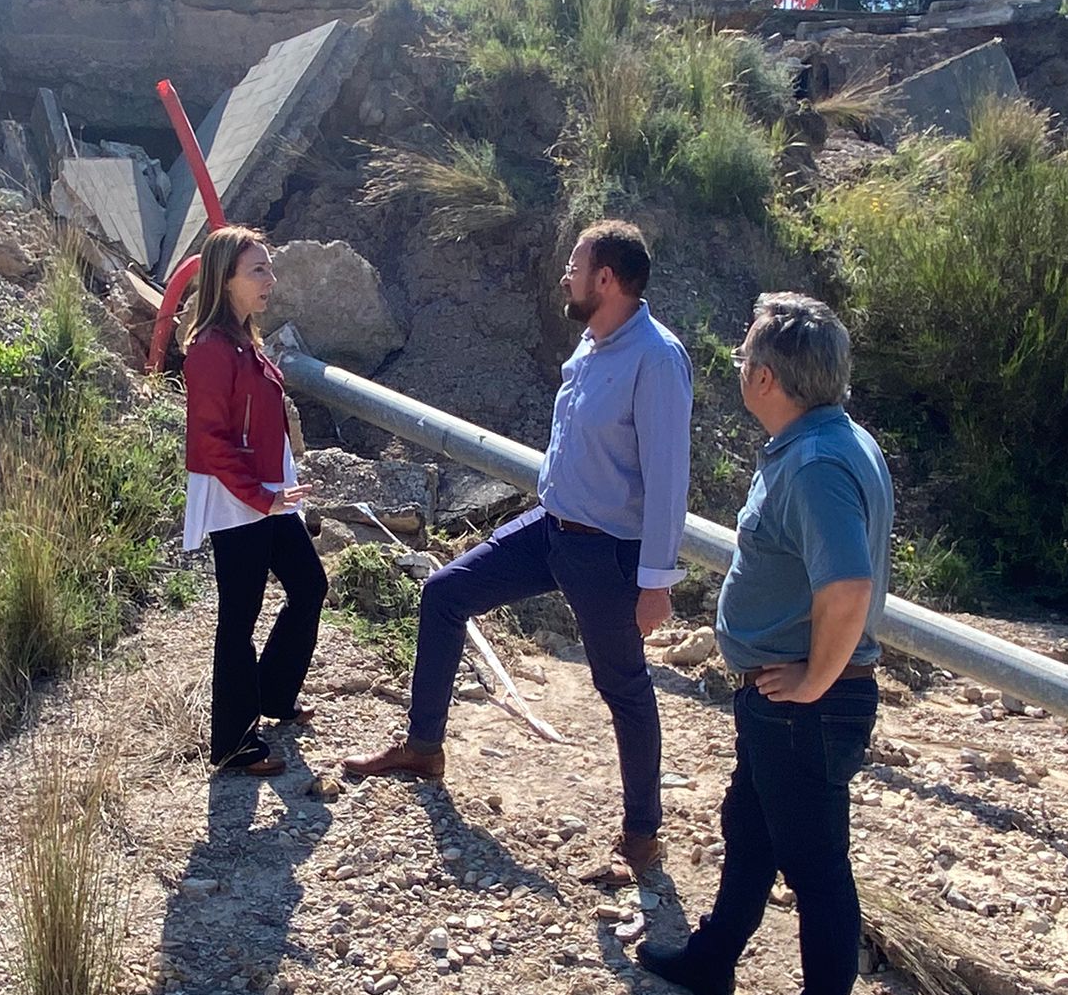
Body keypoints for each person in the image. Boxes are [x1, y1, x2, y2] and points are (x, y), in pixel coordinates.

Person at [344, 220, 693, 885]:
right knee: (445, 595)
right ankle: (423, 747)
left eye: (576, 265)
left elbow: (670, 478)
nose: (566, 274)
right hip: (552, 529)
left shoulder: (656, 358)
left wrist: (655, 583)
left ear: (607, 280)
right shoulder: (592, 345)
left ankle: (643, 833)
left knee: (622, 686)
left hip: (607, 554)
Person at [635, 295, 893, 995]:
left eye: (746, 354)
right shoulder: (822, 441)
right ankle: (715, 958)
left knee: (816, 868)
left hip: (804, 705)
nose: (738, 365)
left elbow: (847, 587)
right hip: (787, 700)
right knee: (748, 825)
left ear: (767, 375)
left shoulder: (815, 463)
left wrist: (815, 680)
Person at [180, 226, 327, 776]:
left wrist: (276, 491)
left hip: (269, 494)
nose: (271, 279)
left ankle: (272, 695)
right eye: (258, 270)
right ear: (227, 280)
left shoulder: (246, 342)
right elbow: (210, 442)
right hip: (239, 499)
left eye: (268, 267)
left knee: (309, 585)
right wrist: (259, 497)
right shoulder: (212, 351)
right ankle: (234, 742)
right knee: (238, 617)